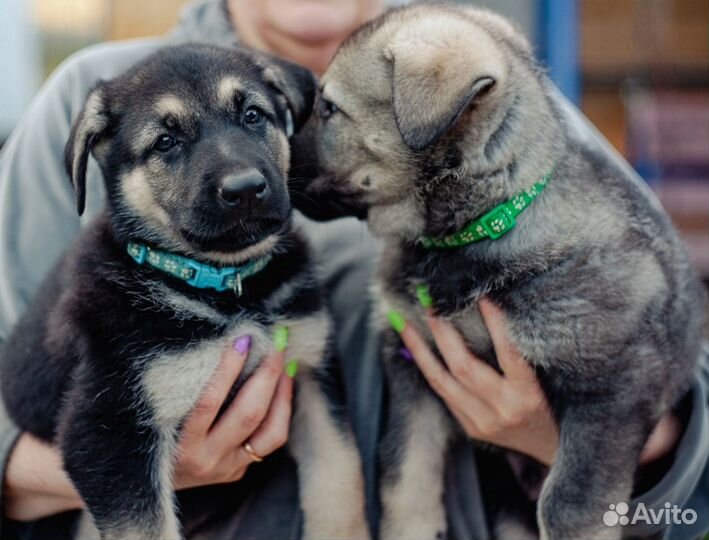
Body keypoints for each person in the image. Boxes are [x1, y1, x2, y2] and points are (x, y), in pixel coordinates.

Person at [0, 1, 706, 538]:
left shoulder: (494, 99)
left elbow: (680, 452)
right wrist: (135, 467)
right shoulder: (96, 94)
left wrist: (579, 444)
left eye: (254, 118)